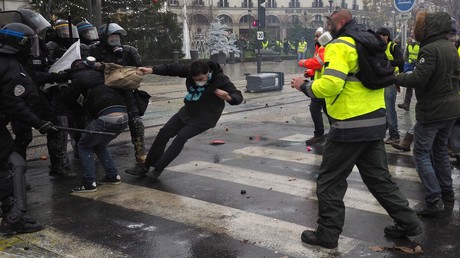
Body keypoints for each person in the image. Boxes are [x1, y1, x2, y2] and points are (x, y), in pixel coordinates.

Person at [291, 9, 421, 249]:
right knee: (380, 180)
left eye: (329, 22)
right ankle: (409, 223)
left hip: (349, 124)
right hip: (374, 122)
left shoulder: (340, 45)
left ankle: (327, 235)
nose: (327, 26)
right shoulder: (369, 43)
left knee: (330, 181)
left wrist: (304, 85)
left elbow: (331, 85)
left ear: (340, 23)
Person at [127, 60, 243, 180]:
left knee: (181, 137)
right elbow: (171, 68)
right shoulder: (190, 71)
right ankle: (146, 166)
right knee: (164, 132)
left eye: (201, 79)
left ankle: (158, 169)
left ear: (208, 72)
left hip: (206, 117)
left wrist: (229, 97)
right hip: (188, 111)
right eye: (195, 79)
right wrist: (151, 70)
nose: (198, 82)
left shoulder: (220, 79)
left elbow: (238, 96)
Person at [396, 11, 460, 216]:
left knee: (422, 153)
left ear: (430, 27)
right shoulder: (450, 47)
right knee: (440, 150)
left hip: (433, 109)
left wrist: (396, 77)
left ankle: (434, 199)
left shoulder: (430, 49)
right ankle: (447, 193)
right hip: (451, 108)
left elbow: (418, 79)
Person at [0, 22, 54, 235]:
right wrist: (39, 122)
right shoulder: (11, 66)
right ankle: (15, 217)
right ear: (19, 43)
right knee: (15, 162)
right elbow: (13, 105)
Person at [91, 22, 148, 173]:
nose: (115, 39)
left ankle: (141, 154)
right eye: (112, 36)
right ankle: (95, 151)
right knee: (97, 121)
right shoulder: (95, 50)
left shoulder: (129, 50)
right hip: (105, 93)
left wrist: (121, 57)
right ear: (104, 37)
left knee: (135, 121)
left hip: (126, 91)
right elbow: (89, 69)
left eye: (117, 36)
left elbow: (139, 67)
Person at [68, 60, 129, 192]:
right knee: (99, 145)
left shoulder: (79, 77)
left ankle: (89, 183)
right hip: (123, 117)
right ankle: (112, 176)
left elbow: (70, 99)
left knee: (84, 145)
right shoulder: (102, 76)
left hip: (107, 117)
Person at [298, 27, 329, 145]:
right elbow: (320, 66)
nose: (315, 38)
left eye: (318, 36)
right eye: (315, 36)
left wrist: (303, 62)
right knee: (323, 109)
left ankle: (321, 134)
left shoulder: (324, 47)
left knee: (319, 108)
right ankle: (325, 133)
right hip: (319, 84)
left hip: (323, 85)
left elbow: (318, 63)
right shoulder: (319, 48)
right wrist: (310, 72)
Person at [376, 27, 404, 144]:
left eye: (379, 37)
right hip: (382, 80)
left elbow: (400, 61)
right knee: (382, 108)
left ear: (386, 37)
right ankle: (384, 131)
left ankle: (394, 135)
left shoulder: (393, 46)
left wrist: (386, 63)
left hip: (391, 80)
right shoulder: (379, 47)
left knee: (389, 108)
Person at [397, 36, 420, 111]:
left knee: (418, 86)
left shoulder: (421, 45)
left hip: (418, 66)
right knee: (409, 84)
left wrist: (417, 62)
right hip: (410, 66)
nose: (410, 39)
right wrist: (406, 61)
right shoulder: (409, 45)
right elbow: (406, 54)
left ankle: (420, 105)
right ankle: (406, 104)